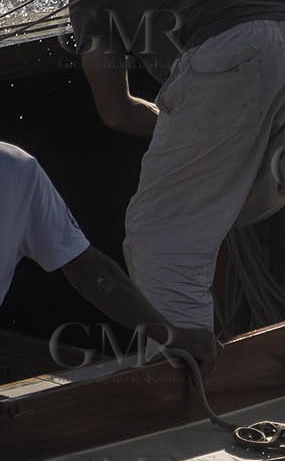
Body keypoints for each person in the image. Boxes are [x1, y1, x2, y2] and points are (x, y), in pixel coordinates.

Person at [50, 0, 285, 355]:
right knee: (231, 192)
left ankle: (186, 370)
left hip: (231, 59)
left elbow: (116, 110)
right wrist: (193, 132)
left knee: (159, 238)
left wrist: (181, 129)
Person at [0, 141, 216, 375]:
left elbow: (95, 274)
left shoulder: (18, 170)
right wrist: (173, 336)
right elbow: (94, 273)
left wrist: (172, 336)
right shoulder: (16, 168)